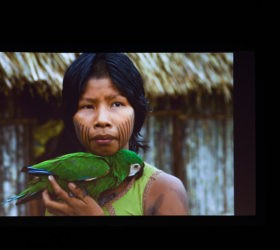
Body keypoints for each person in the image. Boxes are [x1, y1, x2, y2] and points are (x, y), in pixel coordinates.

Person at [42, 53, 189, 216]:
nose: (102, 120)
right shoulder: (59, 188)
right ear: (72, 118)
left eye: (117, 104)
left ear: (137, 113)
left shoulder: (163, 191)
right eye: (88, 106)